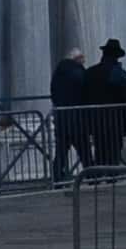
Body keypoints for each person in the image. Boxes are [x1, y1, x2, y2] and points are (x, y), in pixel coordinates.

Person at [88, 38, 126, 168]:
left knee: (100, 152)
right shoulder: (118, 74)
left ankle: (99, 179)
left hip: (96, 121)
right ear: (117, 56)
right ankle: (111, 181)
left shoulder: (90, 72)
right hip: (115, 121)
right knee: (113, 154)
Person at [49, 43, 92, 178]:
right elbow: (86, 93)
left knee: (61, 152)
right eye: (82, 59)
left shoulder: (58, 73)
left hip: (62, 118)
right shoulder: (79, 73)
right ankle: (91, 176)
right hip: (77, 120)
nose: (84, 62)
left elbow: (54, 93)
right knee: (85, 151)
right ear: (77, 59)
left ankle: (57, 177)